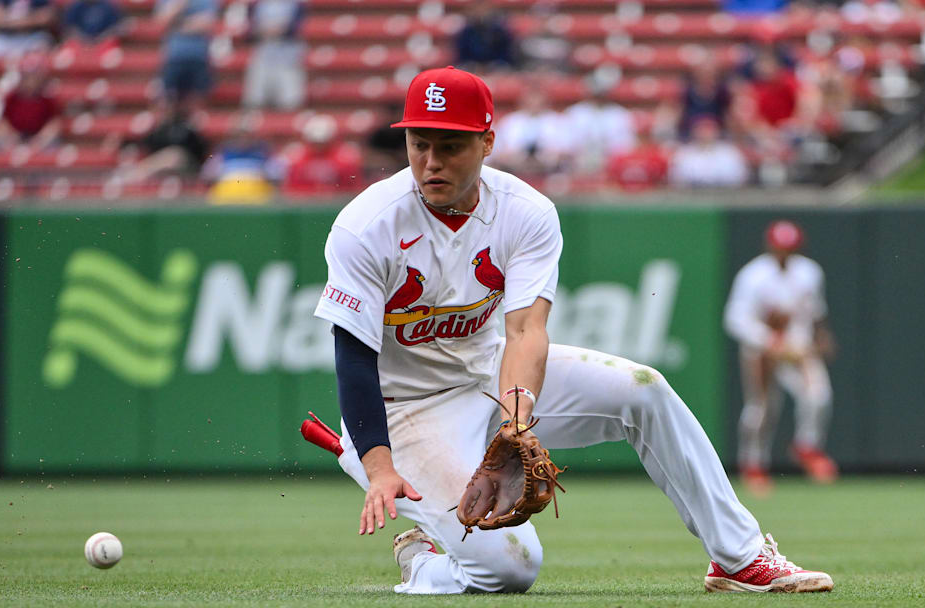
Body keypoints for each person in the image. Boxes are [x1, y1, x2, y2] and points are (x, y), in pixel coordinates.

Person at [312, 65, 834, 595]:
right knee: (510, 569)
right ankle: (422, 561)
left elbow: (524, 331)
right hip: (405, 410)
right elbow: (353, 357)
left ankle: (739, 558)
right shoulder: (367, 226)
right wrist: (379, 465)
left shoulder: (525, 211)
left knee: (643, 389)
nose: (431, 162)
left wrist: (515, 425)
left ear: (487, 142)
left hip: (486, 376)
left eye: (450, 146)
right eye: (419, 144)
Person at [724, 220, 838, 496]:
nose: (784, 253)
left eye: (790, 248)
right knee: (761, 409)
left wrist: (822, 334)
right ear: (769, 246)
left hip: (798, 347)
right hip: (761, 349)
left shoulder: (809, 271)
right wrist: (770, 341)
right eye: (779, 247)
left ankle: (806, 446)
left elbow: (815, 310)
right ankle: (753, 465)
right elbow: (735, 319)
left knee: (819, 396)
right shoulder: (753, 275)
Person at [242, 0, 306, 110]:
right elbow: (248, 33)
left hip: (288, 57)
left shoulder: (296, 4)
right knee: (255, 100)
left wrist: (278, 29)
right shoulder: (257, 4)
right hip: (262, 55)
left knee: (289, 102)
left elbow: (295, 29)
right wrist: (264, 30)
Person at [0, 54, 63, 152]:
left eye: (33, 76)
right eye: (27, 76)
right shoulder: (12, 97)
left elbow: (54, 124)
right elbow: (3, 122)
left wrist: (38, 141)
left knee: (52, 143)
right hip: (16, 136)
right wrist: (12, 139)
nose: (30, 80)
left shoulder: (47, 98)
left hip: (39, 138)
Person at [154, 0, 218, 105]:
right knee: (167, 98)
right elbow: (161, 20)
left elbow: (206, 23)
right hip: (173, 57)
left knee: (197, 99)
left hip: (199, 56)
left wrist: (176, 25)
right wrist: (180, 5)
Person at [669, 116, 749, 187]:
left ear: (717, 131)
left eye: (709, 130)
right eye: (701, 129)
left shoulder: (730, 152)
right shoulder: (684, 153)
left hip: (726, 194)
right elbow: (677, 179)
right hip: (692, 195)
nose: (705, 133)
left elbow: (740, 178)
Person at [0, 0, 57, 66]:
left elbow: (47, 16)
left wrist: (22, 22)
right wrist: (17, 22)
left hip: (32, 36)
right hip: (6, 37)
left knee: (41, 49)